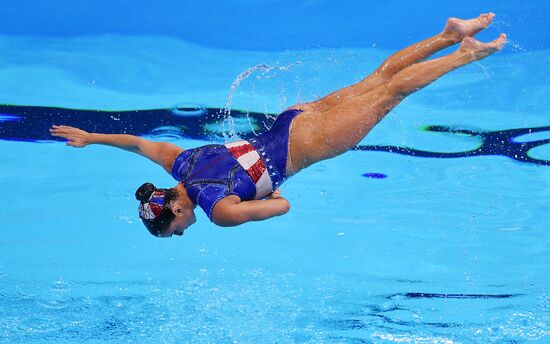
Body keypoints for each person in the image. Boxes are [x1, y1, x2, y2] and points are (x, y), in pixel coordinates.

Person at [50, 13, 506, 237]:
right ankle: (448, 34)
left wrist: (271, 192)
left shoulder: (220, 212)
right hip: (294, 119)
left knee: (393, 92)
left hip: (310, 144)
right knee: (378, 79)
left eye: (177, 230)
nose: (185, 232)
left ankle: (462, 54)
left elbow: (282, 207)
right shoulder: (180, 162)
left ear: (176, 212)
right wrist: (91, 138)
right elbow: (135, 143)